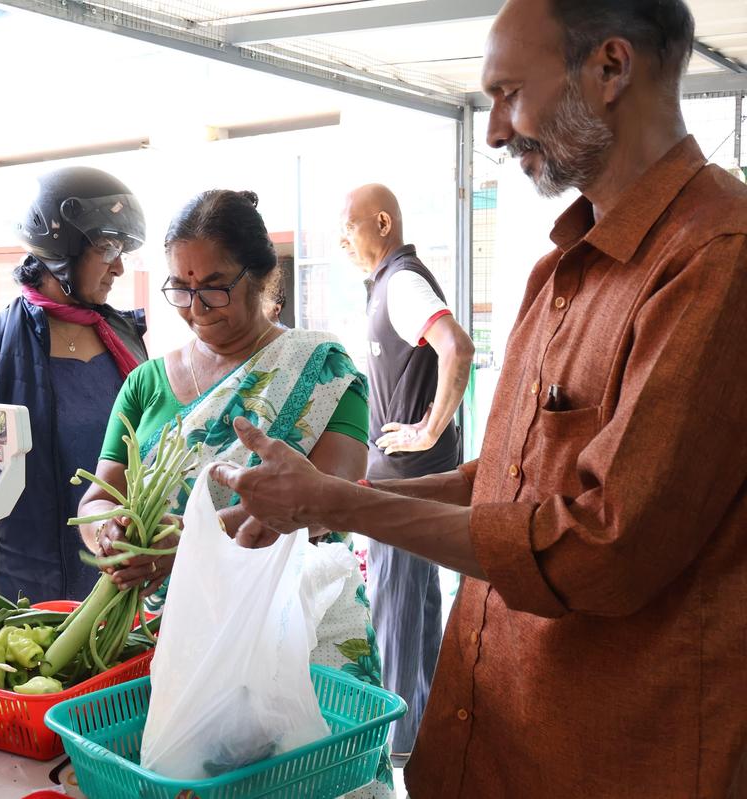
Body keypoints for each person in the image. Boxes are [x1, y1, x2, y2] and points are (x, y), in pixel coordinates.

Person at [213, 0, 747, 795]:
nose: (495, 130)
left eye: (507, 92)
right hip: (487, 736)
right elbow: (503, 480)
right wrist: (326, 501)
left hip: (612, 758)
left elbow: (602, 545)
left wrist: (348, 505)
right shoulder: (561, 267)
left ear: (610, 68)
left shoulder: (717, 259)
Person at [77, 188, 395, 796]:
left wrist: (187, 547)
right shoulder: (145, 383)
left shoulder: (322, 370)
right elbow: (99, 496)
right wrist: (108, 533)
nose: (197, 306)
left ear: (260, 277)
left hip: (296, 634)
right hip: (178, 641)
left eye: (215, 285)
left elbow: (327, 502)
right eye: (180, 287)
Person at [0, 166, 148, 603]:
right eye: (107, 247)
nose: (119, 267)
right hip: (22, 600)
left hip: (115, 588)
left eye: (122, 249)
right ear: (61, 250)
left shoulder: (125, 340)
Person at [338, 183, 475, 760]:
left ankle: (393, 758)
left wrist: (428, 429)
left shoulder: (402, 283)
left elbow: (457, 348)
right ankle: (421, 744)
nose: (342, 239)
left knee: (396, 619)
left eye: (350, 226)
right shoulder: (389, 284)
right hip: (414, 485)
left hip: (407, 487)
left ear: (384, 224)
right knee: (416, 616)